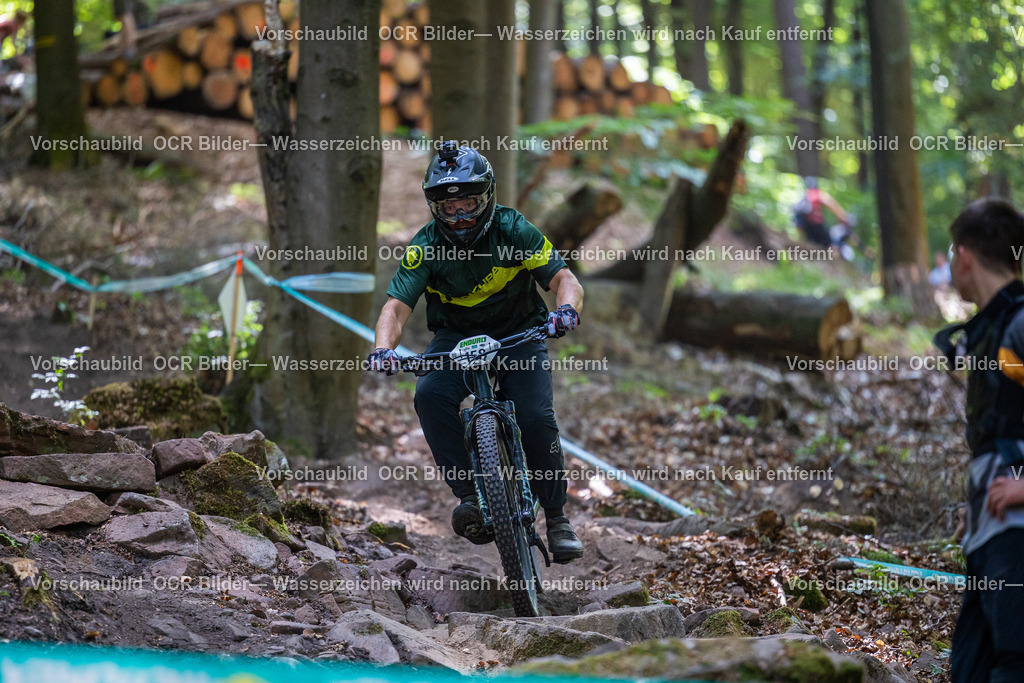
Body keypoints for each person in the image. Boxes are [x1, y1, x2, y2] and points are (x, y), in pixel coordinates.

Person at [368, 141, 585, 564]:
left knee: (536, 416)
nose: (460, 216)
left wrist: (565, 312)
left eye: (468, 203)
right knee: (429, 394)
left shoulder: (514, 229)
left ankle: (557, 518)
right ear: (435, 209)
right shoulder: (425, 247)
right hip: (456, 338)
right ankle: (471, 497)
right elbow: (395, 307)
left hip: (520, 331)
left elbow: (564, 279)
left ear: (486, 197)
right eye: (448, 209)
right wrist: (382, 349)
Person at [934, 197, 1024, 682]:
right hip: (993, 525)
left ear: (964, 256)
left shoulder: (1020, 324)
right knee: (971, 664)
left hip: (1019, 523)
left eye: (951, 252)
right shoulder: (994, 328)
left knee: (1014, 660)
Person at [793, 177, 854, 259]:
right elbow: (832, 206)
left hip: (806, 228)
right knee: (831, 245)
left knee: (814, 245)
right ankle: (837, 264)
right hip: (817, 225)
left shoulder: (805, 196)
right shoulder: (818, 194)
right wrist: (844, 218)